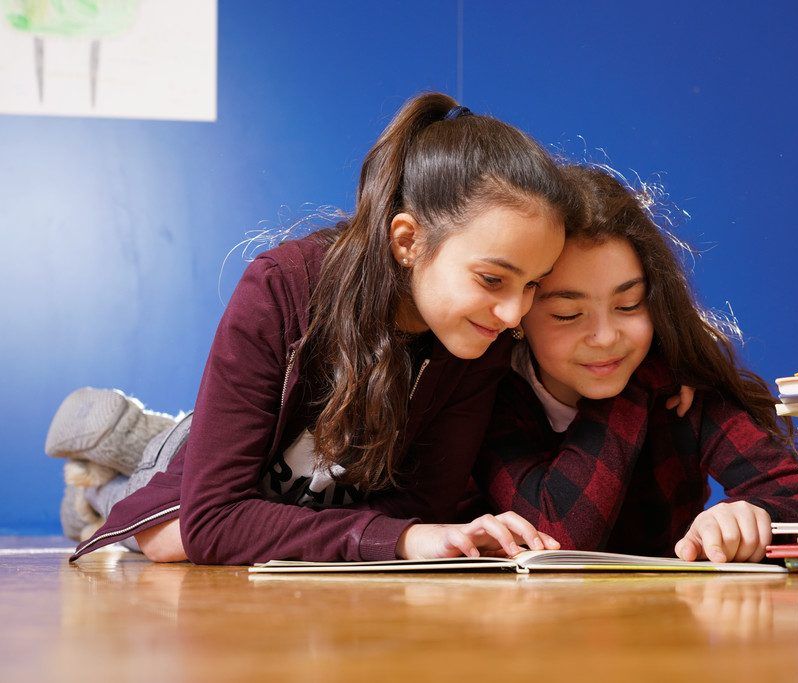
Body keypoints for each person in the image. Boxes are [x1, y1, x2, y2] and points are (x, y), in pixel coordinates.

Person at [47, 92, 571, 565]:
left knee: (249, 525)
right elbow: (213, 522)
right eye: (492, 279)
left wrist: (401, 534)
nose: (513, 314)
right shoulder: (282, 287)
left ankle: (120, 467)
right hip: (232, 473)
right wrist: (397, 539)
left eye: (533, 285)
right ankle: (119, 472)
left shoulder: (480, 339)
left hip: (312, 492)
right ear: (408, 241)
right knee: (167, 540)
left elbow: (418, 509)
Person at [471, 165, 798, 563]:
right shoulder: (487, 397)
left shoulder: (685, 389)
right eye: (568, 314)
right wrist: (638, 383)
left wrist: (755, 515)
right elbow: (557, 540)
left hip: (667, 620)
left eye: (629, 305)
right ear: (521, 313)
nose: (605, 338)